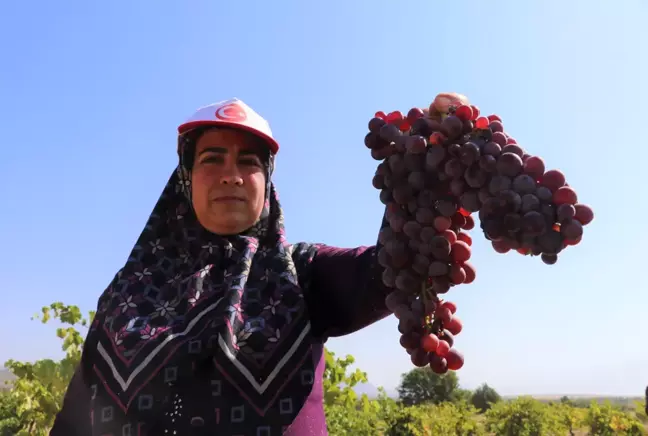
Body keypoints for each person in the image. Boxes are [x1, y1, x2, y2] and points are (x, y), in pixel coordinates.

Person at [50, 98, 393, 436]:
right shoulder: (126, 294)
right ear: (187, 178)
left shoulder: (300, 273)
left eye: (248, 162)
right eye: (212, 160)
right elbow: (75, 421)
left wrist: (433, 154)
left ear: (267, 181)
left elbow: (392, 270)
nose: (231, 176)